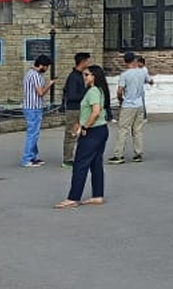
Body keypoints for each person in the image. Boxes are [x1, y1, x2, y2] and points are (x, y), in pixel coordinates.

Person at [54, 65, 110, 208]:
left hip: (93, 131)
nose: (84, 77)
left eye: (87, 75)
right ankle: (98, 195)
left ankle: (73, 197)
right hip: (101, 130)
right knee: (95, 163)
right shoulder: (99, 91)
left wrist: (85, 127)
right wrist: (79, 124)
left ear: (94, 76)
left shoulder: (93, 91)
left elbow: (96, 112)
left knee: (80, 164)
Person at [109, 51, 148, 164]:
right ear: (134, 60)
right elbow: (148, 81)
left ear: (125, 61)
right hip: (139, 104)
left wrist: (121, 99)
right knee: (137, 130)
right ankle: (138, 153)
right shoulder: (141, 73)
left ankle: (119, 155)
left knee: (123, 129)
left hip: (128, 105)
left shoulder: (125, 75)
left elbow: (120, 91)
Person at [21, 55, 57, 167]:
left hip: (30, 106)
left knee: (34, 133)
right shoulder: (35, 75)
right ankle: (27, 159)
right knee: (32, 134)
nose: (46, 69)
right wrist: (50, 84)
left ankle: (33, 156)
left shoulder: (29, 73)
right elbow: (40, 92)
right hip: (33, 107)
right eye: (46, 67)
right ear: (41, 65)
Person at [61, 53, 92, 166]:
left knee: (81, 133)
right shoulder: (74, 77)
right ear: (82, 62)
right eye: (87, 61)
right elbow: (73, 95)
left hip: (79, 109)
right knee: (72, 134)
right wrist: (86, 90)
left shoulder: (79, 75)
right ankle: (67, 159)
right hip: (74, 109)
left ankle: (77, 156)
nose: (88, 64)